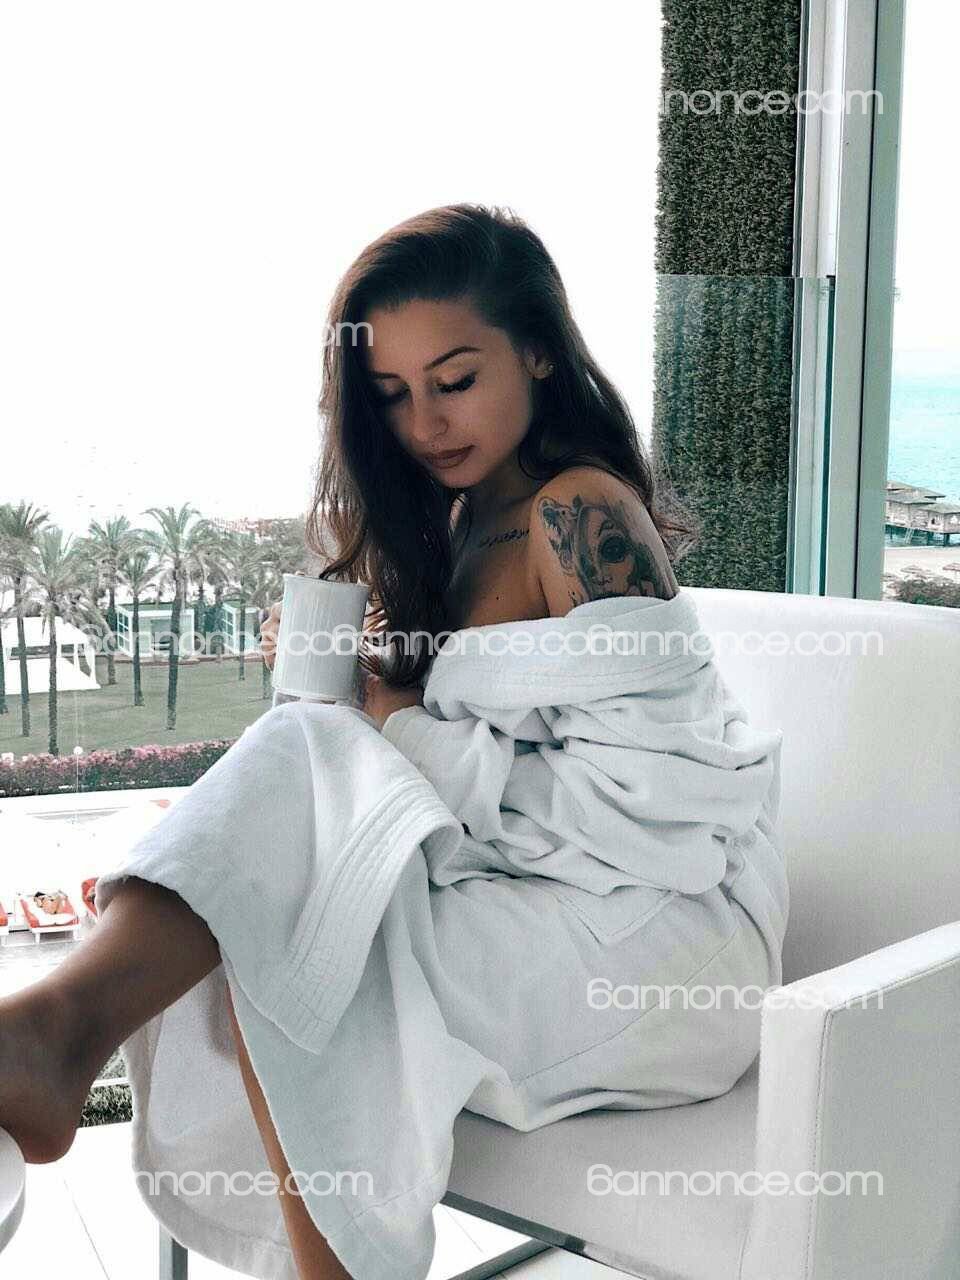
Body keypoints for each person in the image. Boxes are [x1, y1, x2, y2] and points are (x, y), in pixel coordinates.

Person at [0, 205, 776, 1280]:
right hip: (533, 898)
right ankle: (56, 1035)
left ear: (539, 351)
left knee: (289, 926)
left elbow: (662, 820)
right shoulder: (450, 526)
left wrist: (392, 719)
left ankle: (54, 1027)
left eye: (454, 380)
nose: (426, 423)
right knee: (278, 906)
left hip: (668, 942)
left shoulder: (581, 516)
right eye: (392, 395)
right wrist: (359, 686)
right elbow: (401, 744)